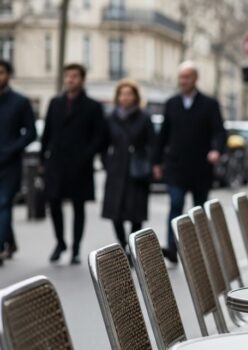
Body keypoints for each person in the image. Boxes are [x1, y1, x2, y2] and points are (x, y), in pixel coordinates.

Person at [152, 61, 225, 263]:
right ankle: (172, 248)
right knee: (175, 204)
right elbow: (163, 135)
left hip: (201, 166)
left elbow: (219, 131)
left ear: (195, 79)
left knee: (198, 209)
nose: (183, 81)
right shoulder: (172, 103)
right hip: (176, 165)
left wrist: (217, 150)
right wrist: (156, 162)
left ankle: (199, 249)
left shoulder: (210, 104)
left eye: (187, 77)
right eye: (181, 77)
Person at [41, 63, 105, 265]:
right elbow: (47, 132)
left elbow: (100, 136)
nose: (70, 79)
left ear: (82, 79)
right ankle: (60, 242)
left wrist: (87, 155)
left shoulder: (93, 106)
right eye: (67, 75)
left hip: (80, 164)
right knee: (54, 202)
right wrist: (44, 157)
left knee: (79, 205)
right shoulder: (55, 103)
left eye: (74, 76)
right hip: (57, 163)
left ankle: (76, 247)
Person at [101, 80, 155, 250]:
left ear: (136, 97)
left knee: (136, 213)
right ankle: (122, 244)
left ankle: (133, 248)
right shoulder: (111, 118)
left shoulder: (144, 118)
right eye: (122, 94)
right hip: (116, 168)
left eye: (129, 94)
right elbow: (102, 144)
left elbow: (153, 143)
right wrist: (107, 163)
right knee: (115, 212)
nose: (125, 97)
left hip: (137, 170)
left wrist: (149, 162)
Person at [0, 60, 36, 266]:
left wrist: (12, 148)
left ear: (8, 75)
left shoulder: (20, 102)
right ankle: (10, 242)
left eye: (1, 72)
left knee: (4, 203)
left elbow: (30, 133)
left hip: (10, 163)